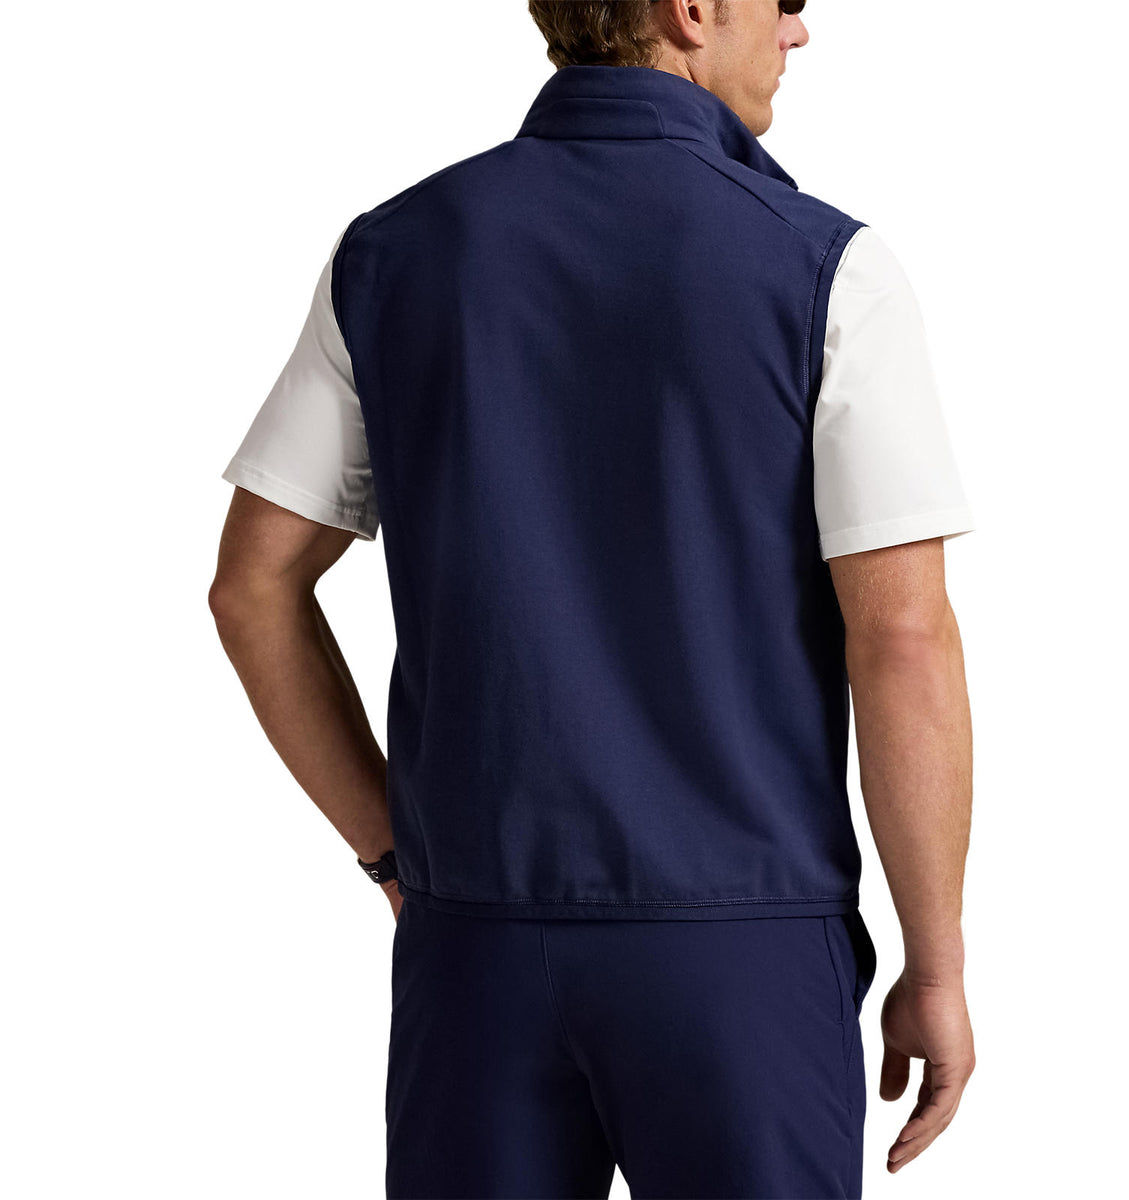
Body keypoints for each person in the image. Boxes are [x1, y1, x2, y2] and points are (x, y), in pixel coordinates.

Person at [209, 1, 977, 1196]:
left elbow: (253, 587)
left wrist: (394, 854)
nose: (799, 33)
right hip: (743, 951)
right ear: (692, 10)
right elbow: (905, 639)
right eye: (783, 1)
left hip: (476, 945)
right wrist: (934, 967)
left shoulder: (394, 254)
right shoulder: (826, 269)